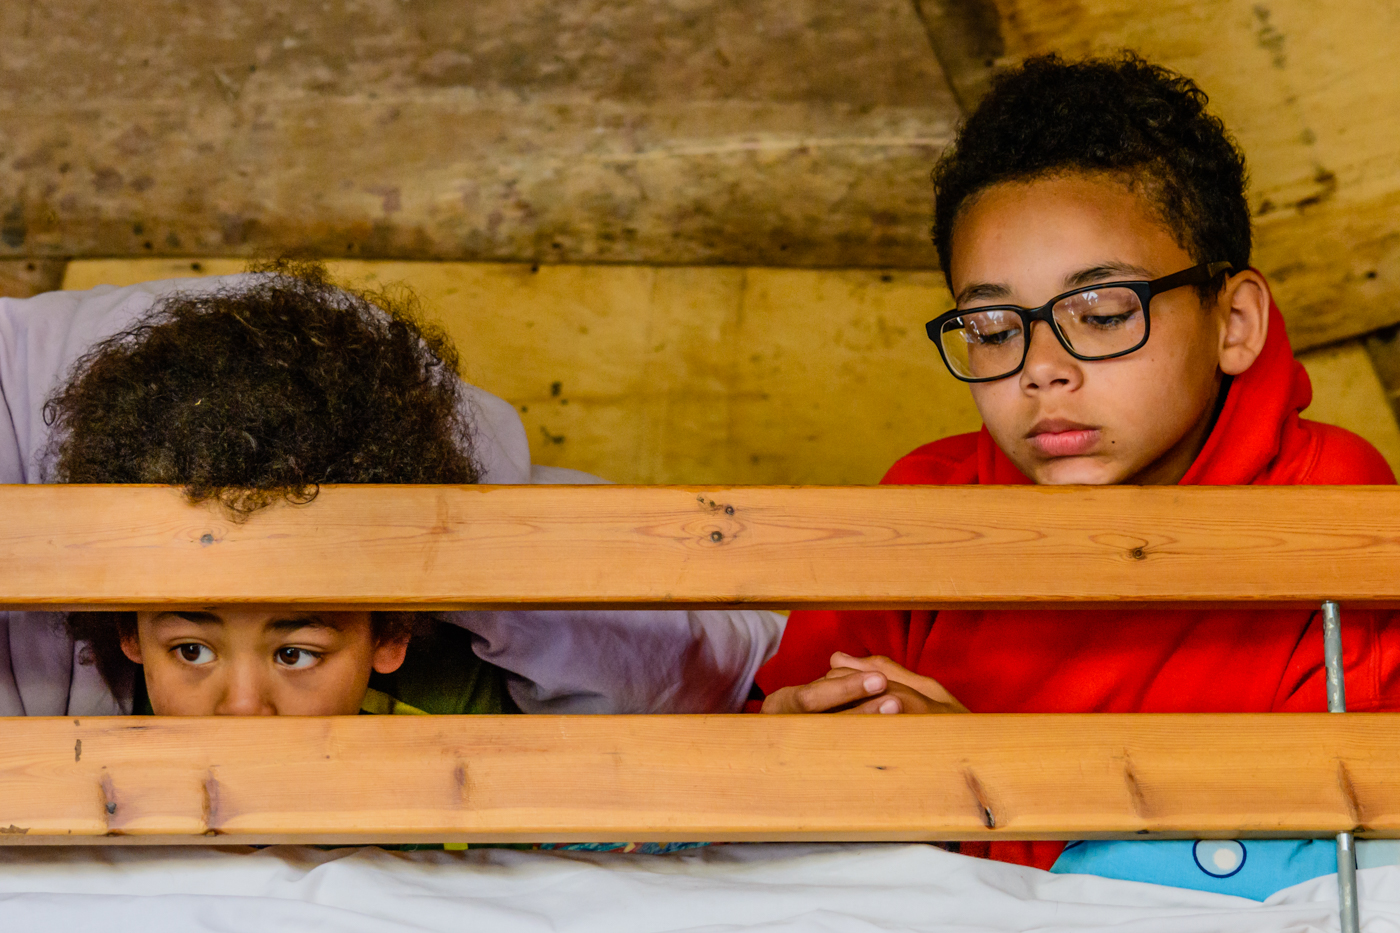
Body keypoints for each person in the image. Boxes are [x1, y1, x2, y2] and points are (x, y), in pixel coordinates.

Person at [754, 53, 1400, 899]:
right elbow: (774, 769)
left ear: (1234, 322)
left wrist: (976, 780)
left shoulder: (1335, 508)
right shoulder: (924, 502)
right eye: (992, 328)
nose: (1041, 369)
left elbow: (1315, 862)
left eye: (1101, 314)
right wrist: (787, 739)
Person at [0, 261, 782, 717]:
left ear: (392, 636)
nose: (242, 708)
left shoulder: (465, 697)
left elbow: (695, 667)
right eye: (193, 649)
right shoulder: (80, 699)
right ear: (128, 636)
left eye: (296, 651)